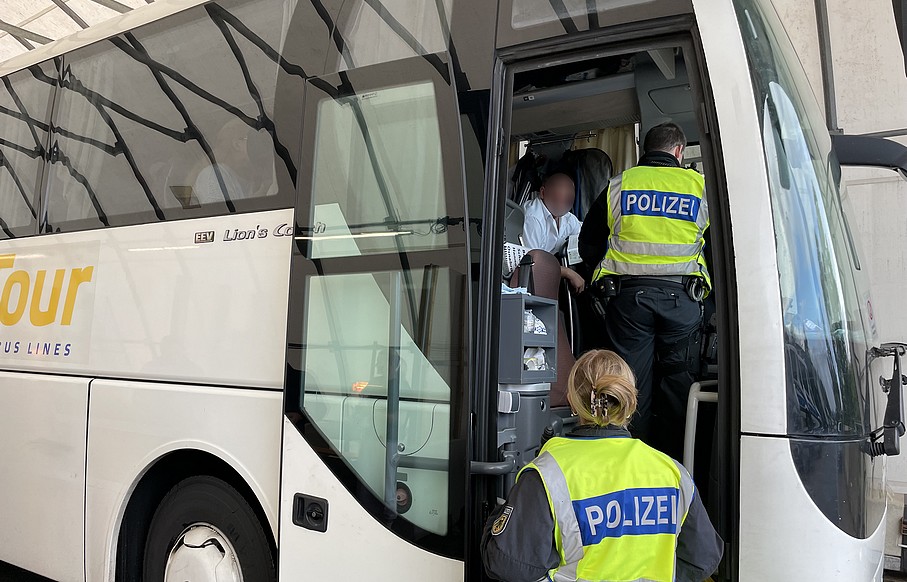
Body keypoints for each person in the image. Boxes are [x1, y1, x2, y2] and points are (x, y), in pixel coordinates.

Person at [481, 350, 723, 582]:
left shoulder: (548, 474)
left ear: (572, 401)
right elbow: (702, 560)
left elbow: (508, 565)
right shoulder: (672, 472)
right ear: (630, 402)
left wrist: (500, 514)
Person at [578, 122, 709, 459]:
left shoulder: (620, 185)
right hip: (683, 299)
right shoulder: (699, 187)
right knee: (678, 382)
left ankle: (632, 461)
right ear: (679, 151)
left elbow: (588, 243)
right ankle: (676, 464)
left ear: (644, 150)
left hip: (628, 301)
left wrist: (607, 277)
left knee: (630, 383)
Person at [522, 172, 586, 293]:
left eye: (570, 190)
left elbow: (585, 234)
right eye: (560, 189)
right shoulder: (533, 217)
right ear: (543, 192)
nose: (565, 195)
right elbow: (532, 263)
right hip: (525, 278)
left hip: (544, 274)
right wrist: (568, 273)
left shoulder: (567, 218)